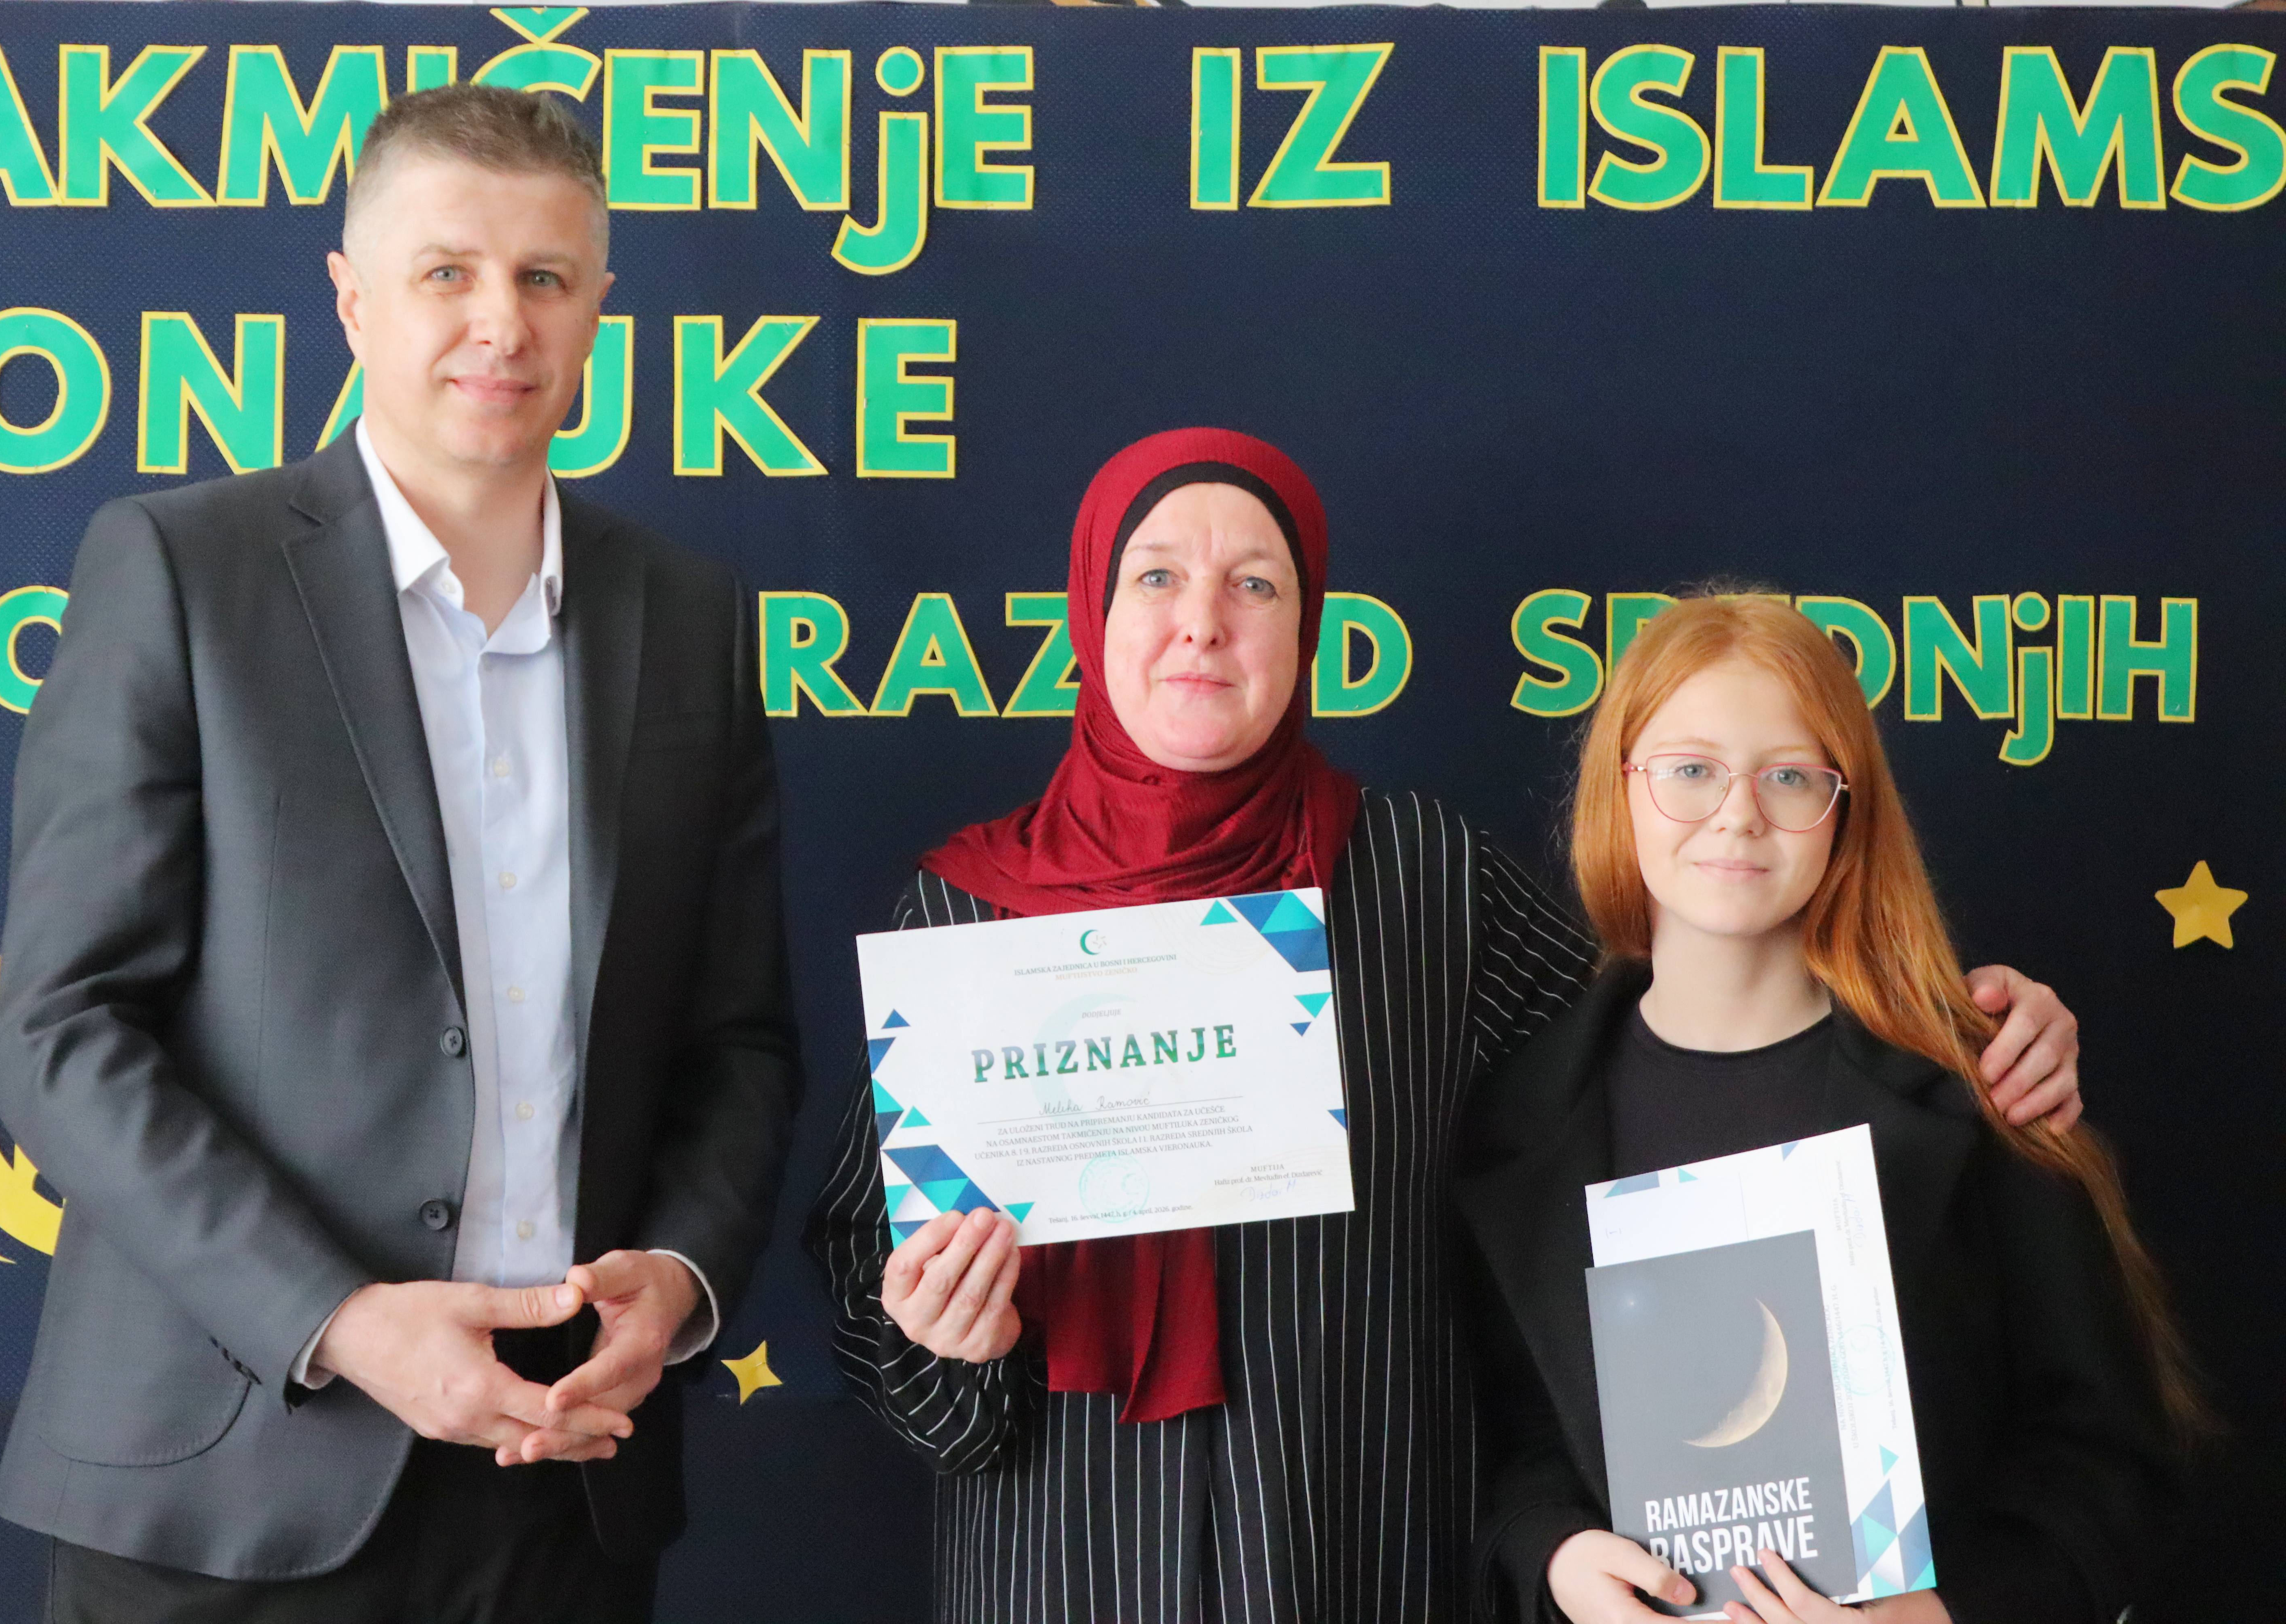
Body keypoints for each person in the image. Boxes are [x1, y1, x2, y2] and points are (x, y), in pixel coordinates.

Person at [805, 432, 2082, 1623]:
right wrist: (944, 1341)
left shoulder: (1419, 874)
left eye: (1255, 584)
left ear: (1307, 628)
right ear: (1092, 610)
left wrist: (1951, 1031)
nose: (1202, 621)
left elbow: (1686, 1039)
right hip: (1061, 1566)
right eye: (1157, 577)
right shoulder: (964, 913)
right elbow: (873, 1278)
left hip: (1364, 1557)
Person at [0, 86, 799, 1622]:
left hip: (567, 1479)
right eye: (447, 272)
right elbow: (58, 1033)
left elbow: (739, 1040)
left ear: (599, 309)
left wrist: (683, 1284)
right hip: (222, 1485)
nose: (502, 322)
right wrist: (342, 1321)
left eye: (545, 277)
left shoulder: (690, 618)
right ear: (352, 299)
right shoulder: (180, 570)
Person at [1458, 594, 2192, 1624]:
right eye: (1691, 768)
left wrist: (1948, 1614)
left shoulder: (1985, 1086)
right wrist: (1556, 1557)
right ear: (1621, 787)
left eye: (1791, 775)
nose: (1739, 814)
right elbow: (1507, 1448)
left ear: (1847, 809)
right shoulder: (1513, 1123)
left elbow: (2110, 1458)